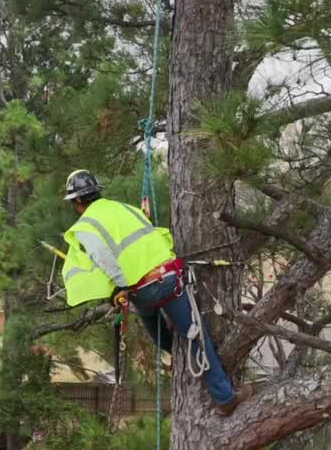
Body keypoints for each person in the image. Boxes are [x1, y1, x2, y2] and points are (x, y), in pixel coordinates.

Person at [59, 169, 251, 416]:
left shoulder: (85, 226)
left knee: (153, 321)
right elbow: (156, 236)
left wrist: (121, 287)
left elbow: (102, 257)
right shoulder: (126, 209)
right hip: (168, 279)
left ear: (77, 201)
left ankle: (173, 348)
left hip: (141, 292)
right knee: (197, 336)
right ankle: (224, 397)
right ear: (97, 192)